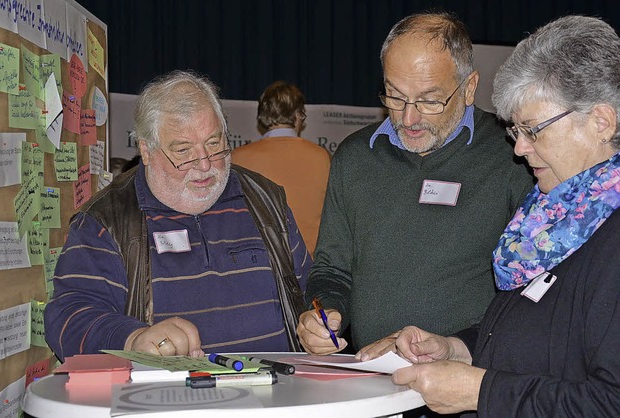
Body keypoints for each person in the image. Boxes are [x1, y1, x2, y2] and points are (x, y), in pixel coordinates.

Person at [359, 15, 620, 416]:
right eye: (517, 131)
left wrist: (482, 392)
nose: (519, 149)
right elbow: (537, 335)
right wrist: (457, 348)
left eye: (533, 130)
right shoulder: (551, 218)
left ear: (601, 122)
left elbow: (608, 403)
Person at [297, 11, 533, 355]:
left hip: (470, 383)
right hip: (374, 381)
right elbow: (332, 269)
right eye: (395, 96)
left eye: (429, 100)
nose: (409, 118)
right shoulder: (355, 157)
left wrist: (458, 346)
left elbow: (531, 294)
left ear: (468, 88)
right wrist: (324, 313)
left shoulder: (512, 158)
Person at [44, 70, 311, 361]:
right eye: (184, 151)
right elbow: (68, 317)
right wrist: (132, 339)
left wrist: (319, 325)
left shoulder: (266, 201)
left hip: (276, 396)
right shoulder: (106, 220)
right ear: (146, 150)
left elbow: (309, 291)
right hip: (166, 401)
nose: (205, 165)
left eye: (213, 143)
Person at [231, 81, 331, 256]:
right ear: (298, 115)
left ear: (261, 116)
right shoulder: (321, 157)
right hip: (310, 264)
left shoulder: (238, 158)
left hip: (259, 263)